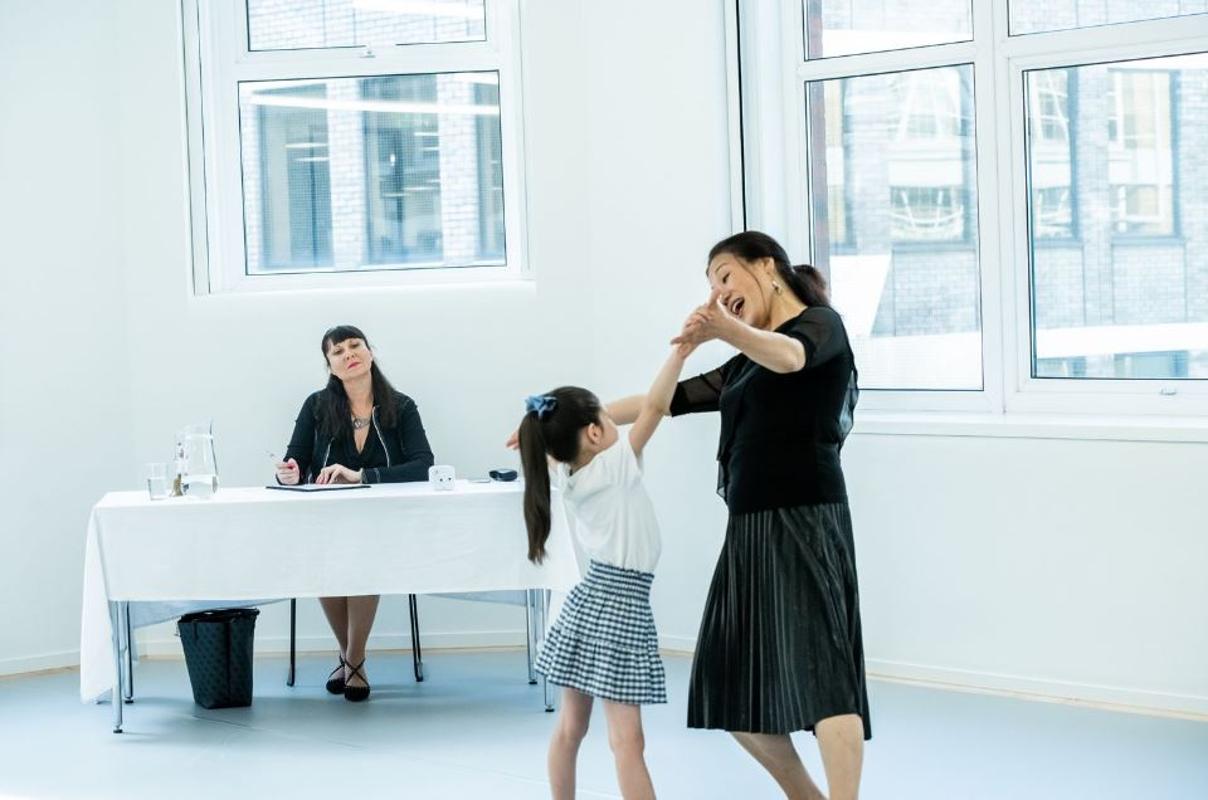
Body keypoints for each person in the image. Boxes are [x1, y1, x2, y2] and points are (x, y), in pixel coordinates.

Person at [614, 231, 870, 799]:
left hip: (806, 517)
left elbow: (790, 358)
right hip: (750, 528)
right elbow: (660, 401)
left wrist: (727, 330)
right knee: (730, 689)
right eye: (710, 285)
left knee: (826, 678)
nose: (719, 291)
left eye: (725, 276)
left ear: (767, 266)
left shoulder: (819, 328)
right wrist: (558, 415)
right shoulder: (746, 363)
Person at [516, 349, 687, 800]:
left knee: (572, 728)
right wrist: (682, 352)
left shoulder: (572, 470)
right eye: (604, 421)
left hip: (590, 602)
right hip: (620, 609)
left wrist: (542, 426)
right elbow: (653, 404)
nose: (616, 423)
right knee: (627, 741)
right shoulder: (614, 466)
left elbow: (615, 415)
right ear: (593, 432)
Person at [275, 324, 435, 702]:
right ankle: (354, 661)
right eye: (338, 351)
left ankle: (352, 659)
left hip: (384, 517)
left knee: (362, 555)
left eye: (354, 345)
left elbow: (424, 465)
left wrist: (362, 476)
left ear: (370, 352)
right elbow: (295, 460)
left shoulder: (402, 406)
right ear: (330, 366)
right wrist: (289, 473)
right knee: (322, 560)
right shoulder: (316, 405)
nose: (348, 354)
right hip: (326, 516)